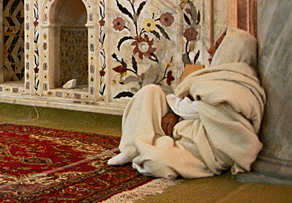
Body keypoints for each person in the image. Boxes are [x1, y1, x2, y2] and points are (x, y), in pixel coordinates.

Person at [107, 27, 266, 179]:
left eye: (217, 46)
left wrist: (176, 111)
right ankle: (131, 149)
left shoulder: (237, 84)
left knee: (155, 162)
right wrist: (174, 111)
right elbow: (189, 101)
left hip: (199, 148)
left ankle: (147, 148)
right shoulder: (217, 76)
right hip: (182, 127)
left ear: (232, 51)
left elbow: (203, 108)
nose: (210, 49)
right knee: (150, 91)